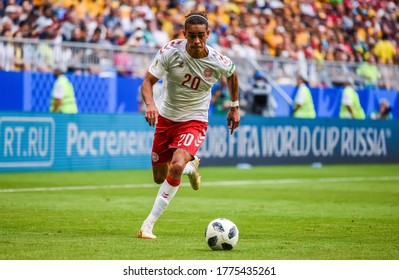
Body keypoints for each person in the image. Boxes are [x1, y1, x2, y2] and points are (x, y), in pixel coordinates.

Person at [138, 11, 240, 239]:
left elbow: (232, 75)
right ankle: (190, 167)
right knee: (158, 177)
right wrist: (150, 103)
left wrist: (234, 106)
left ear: (208, 34)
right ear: (185, 34)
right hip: (166, 118)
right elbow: (147, 82)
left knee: (174, 167)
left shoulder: (217, 60)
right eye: (191, 36)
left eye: (201, 36)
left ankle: (148, 225)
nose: (196, 41)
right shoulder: (170, 51)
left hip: (194, 121)